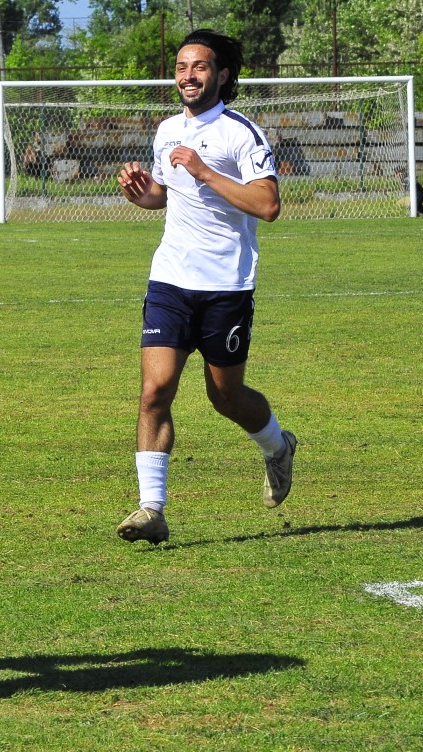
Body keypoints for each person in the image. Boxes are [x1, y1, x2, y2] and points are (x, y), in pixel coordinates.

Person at [114, 29, 297, 546]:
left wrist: (204, 170)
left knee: (225, 396)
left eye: (198, 66)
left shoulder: (241, 133)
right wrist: (141, 192)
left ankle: (278, 447)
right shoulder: (167, 130)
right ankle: (152, 509)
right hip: (170, 279)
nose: (187, 75)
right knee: (155, 390)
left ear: (221, 75)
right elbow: (165, 195)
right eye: (181, 67)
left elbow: (268, 205)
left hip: (225, 285)